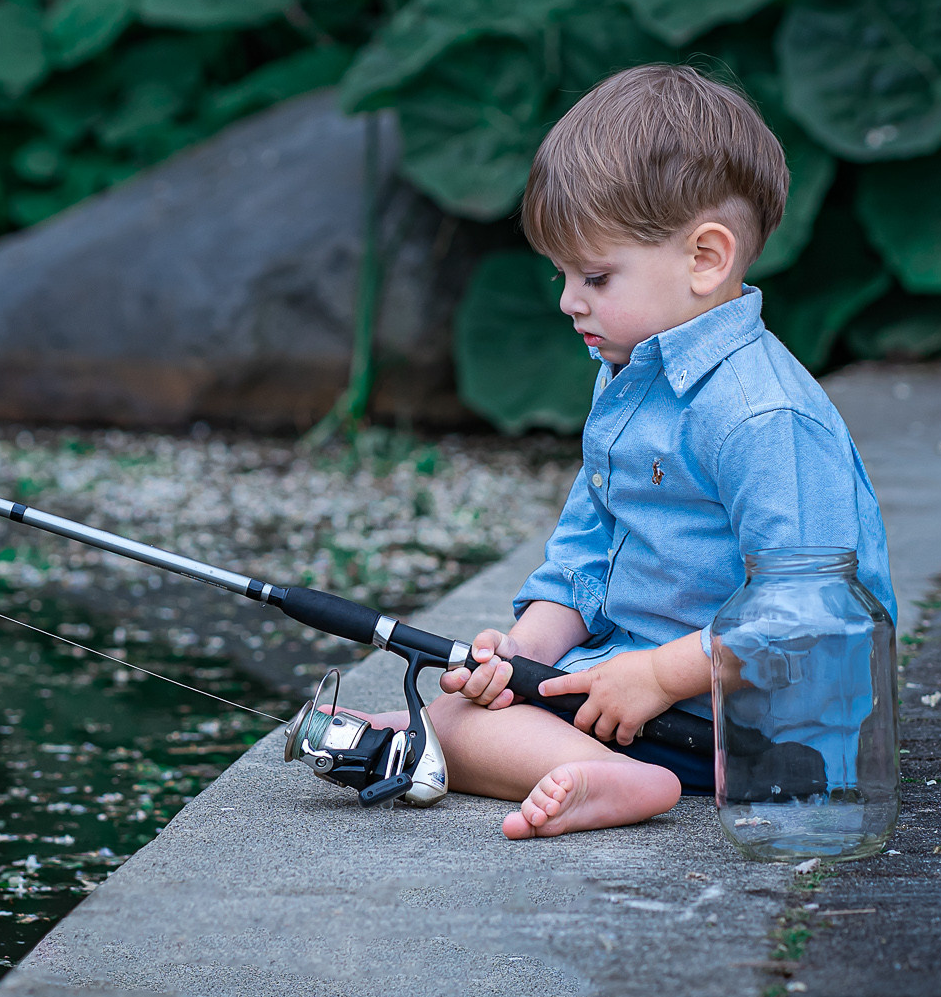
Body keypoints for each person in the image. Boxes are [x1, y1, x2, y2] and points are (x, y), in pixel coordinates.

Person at [361, 63, 894, 838]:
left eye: (596, 275)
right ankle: (533, 748)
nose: (568, 300)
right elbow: (590, 542)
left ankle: (612, 776)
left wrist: (657, 673)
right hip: (635, 689)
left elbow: (808, 615)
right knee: (464, 706)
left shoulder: (760, 414)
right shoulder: (629, 377)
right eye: (563, 273)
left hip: (763, 726)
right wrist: (523, 651)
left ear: (705, 259)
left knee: (454, 729)